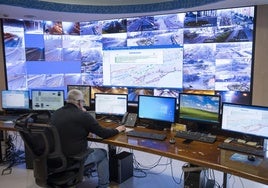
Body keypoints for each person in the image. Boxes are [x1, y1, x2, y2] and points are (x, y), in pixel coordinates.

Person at [51, 89, 126, 188]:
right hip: (74, 160)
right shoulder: (83, 115)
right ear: (79, 102)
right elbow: (104, 133)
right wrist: (118, 129)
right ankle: (103, 185)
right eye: (82, 102)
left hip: (56, 160)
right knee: (102, 153)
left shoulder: (56, 113)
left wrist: (84, 131)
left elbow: (69, 129)